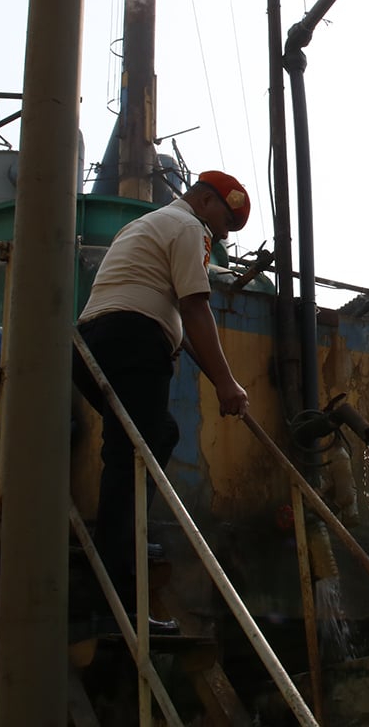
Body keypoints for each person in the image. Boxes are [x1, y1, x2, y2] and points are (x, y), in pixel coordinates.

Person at [72, 169, 252, 631]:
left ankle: (119, 561)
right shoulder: (190, 227)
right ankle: (119, 604)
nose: (217, 235)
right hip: (135, 342)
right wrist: (226, 383)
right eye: (222, 225)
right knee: (135, 461)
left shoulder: (146, 223)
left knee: (147, 442)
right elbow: (195, 306)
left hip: (92, 341)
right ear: (208, 203)